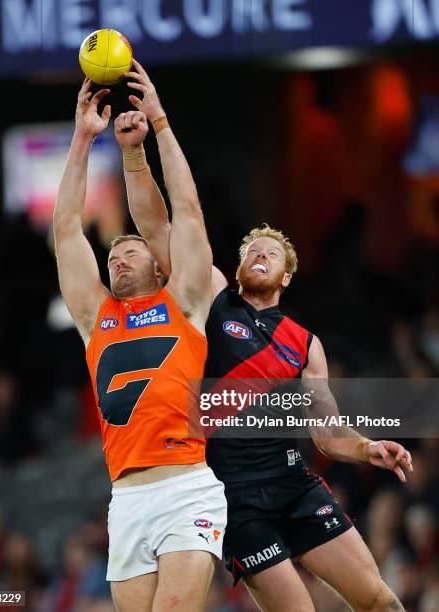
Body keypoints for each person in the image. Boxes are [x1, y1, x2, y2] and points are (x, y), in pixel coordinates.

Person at [121, 59, 414, 611]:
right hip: (233, 498)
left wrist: (367, 447)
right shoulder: (212, 299)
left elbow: (326, 432)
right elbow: (158, 227)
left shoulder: (305, 343)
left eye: (271, 252)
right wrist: (139, 149)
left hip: (294, 483)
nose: (259, 252)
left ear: (287, 275)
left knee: (378, 599)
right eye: (251, 249)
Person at [53, 77, 227, 612]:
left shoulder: (187, 301)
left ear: (159, 263)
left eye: (130, 250)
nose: (117, 258)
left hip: (186, 490)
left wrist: (160, 124)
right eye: (112, 256)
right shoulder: (95, 317)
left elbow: (188, 213)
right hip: (125, 498)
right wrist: (83, 139)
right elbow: (64, 231)